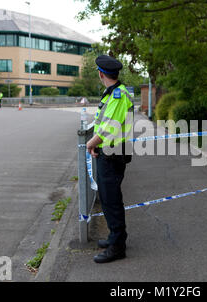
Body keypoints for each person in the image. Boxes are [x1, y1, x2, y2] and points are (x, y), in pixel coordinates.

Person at [86, 55, 134, 263]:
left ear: (101, 73)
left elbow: (110, 126)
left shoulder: (117, 95)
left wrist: (91, 143)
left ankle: (117, 247)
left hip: (113, 153)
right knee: (108, 197)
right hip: (111, 151)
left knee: (111, 199)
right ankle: (116, 237)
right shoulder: (113, 94)